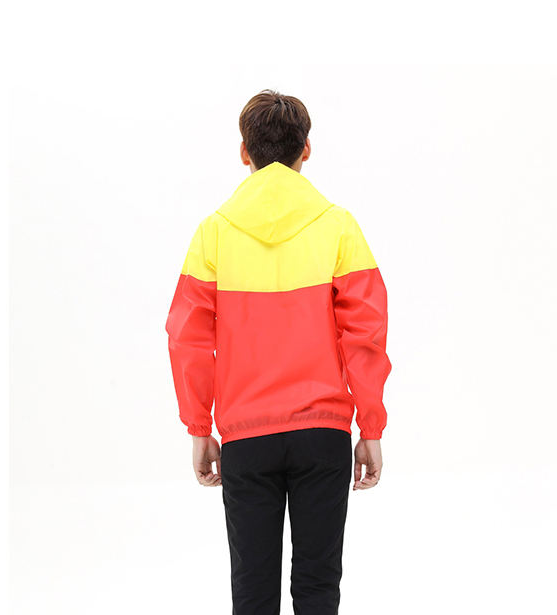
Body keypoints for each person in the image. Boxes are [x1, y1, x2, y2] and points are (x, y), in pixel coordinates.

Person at [165, 89, 392, 615]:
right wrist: (371, 427)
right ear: (306, 149)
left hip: (246, 436)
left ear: (244, 151)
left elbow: (186, 338)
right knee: (318, 589)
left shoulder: (214, 233)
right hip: (323, 433)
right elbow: (367, 331)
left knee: (252, 594)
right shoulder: (338, 226)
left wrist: (200, 427)